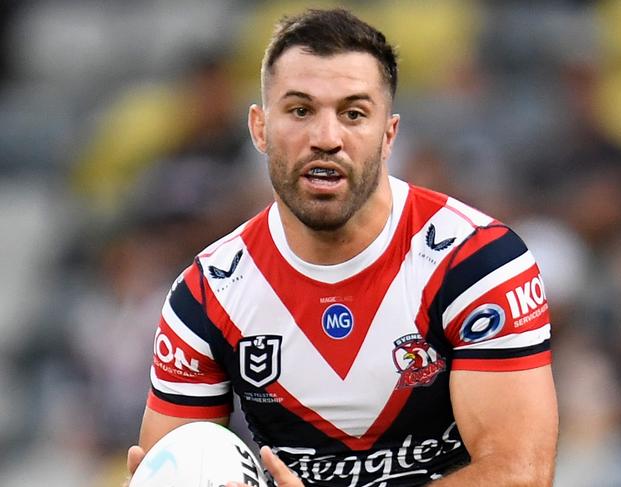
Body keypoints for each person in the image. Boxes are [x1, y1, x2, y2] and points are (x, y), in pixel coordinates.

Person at [126, 8, 558, 487]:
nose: (326, 139)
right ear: (260, 129)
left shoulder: (477, 263)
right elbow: (178, 460)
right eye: (300, 110)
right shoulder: (206, 294)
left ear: (389, 135)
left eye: (354, 114)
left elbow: (520, 476)